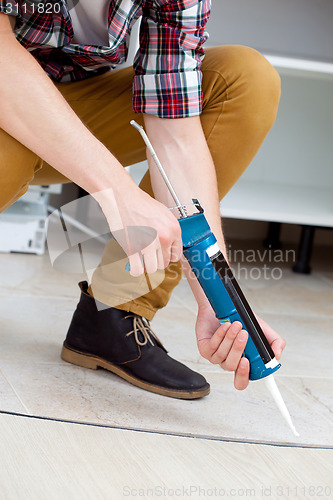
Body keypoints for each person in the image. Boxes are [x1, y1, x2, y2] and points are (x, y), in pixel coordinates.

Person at [0, 0, 285, 400]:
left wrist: (221, 298)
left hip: (65, 108)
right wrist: (118, 191)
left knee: (243, 80)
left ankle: (116, 311)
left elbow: (174, 130)